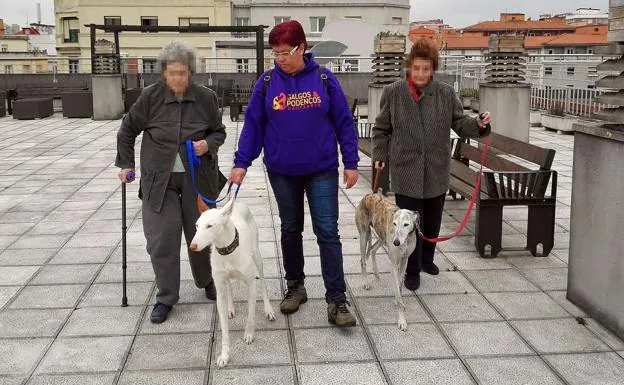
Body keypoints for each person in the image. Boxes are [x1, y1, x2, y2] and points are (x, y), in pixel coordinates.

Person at [229, 20, 360, 327]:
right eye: (275, 53)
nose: (280, 59)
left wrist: (351, 162)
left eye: (285, 52)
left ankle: (337, 300)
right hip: (282, 170)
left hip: (322, 170)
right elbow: (253, 126)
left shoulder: (325, 79)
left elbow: (344, 122)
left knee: (327, 232)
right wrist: (241, 162)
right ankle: (296, 287)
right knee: (290, 229)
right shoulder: (266, 83)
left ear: (302, 48)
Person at [116, 41, 226, 324]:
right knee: (161, 238)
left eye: (183, 72)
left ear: (191, 72)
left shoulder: (205, 98)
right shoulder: (150, 97)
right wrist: (126, 164)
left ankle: (207, 281)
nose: (178, 78)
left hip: (198, 178)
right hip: (159, 179)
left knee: (201, 233)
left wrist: (207, 144)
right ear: (164, 72)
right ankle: (166, 297)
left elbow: (219, 132)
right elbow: (127, 131)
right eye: (172, 72)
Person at [372, 37, 492, 291]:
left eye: (426, 69)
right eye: (416, 69)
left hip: (436, 168)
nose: (420, 74)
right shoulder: (393, 93)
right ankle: (412, 270)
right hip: (406, 168)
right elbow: (381, 128)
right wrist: (380, 155)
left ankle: (427, 259)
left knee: (433, 218)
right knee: (408, 225)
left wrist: (479, 125)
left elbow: (460, 123)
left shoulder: (446, 93)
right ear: (409, 67)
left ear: (433, 69)